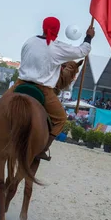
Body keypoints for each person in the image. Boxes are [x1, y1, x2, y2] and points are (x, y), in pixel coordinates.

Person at [18, 17, 95, 160]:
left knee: (0, 104)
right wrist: (88, 37)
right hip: (43, 89)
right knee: (61, 119)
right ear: (58, 30)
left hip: (20, 83)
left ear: (42, 27)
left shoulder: (29, 41)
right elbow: (82, 51)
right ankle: (42, 149)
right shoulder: (56, 47)